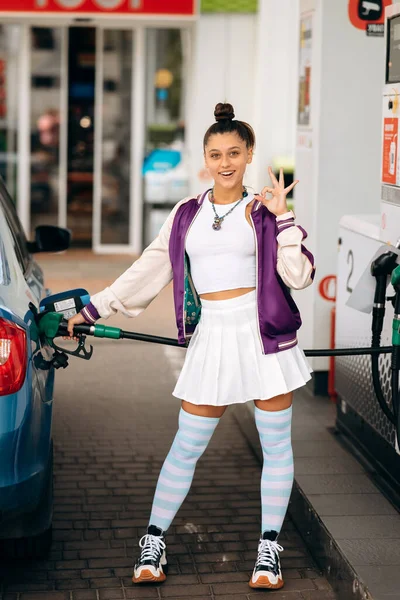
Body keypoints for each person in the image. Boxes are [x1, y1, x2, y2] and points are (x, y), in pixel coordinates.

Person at [66, 102, 315, 590]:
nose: (225, 163)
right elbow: (149, 268)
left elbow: (299, 277)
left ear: (249, 157)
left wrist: (284, 220)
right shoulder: (186, 215)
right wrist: (93, 309)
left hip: (264, 337)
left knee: (277, 447)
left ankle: (269, 551)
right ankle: (153, 541)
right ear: (205, 157)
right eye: (215, 153)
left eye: (234, 153)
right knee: (186, 446)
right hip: (213, 335)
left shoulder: (265, 212)